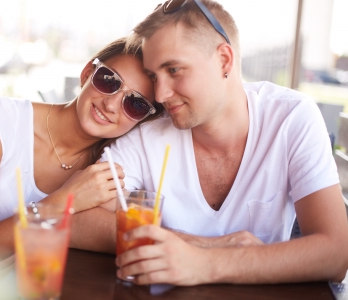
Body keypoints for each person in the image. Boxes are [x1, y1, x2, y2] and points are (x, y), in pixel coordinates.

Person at [92, 0, 348, 285]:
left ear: (224, 60)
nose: (160, 94)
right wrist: (204, 246)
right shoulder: (148, 135)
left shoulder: (292, 118)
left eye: (174, 70)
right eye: (154, 76)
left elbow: (337, 255)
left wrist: (205, 265)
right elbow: (81, 217)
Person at [0, 37, 164, 257]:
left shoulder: (104, 167)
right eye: (109, 81)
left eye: (136, 104)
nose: (111, 105)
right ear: (87, 73)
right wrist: (65, 202)